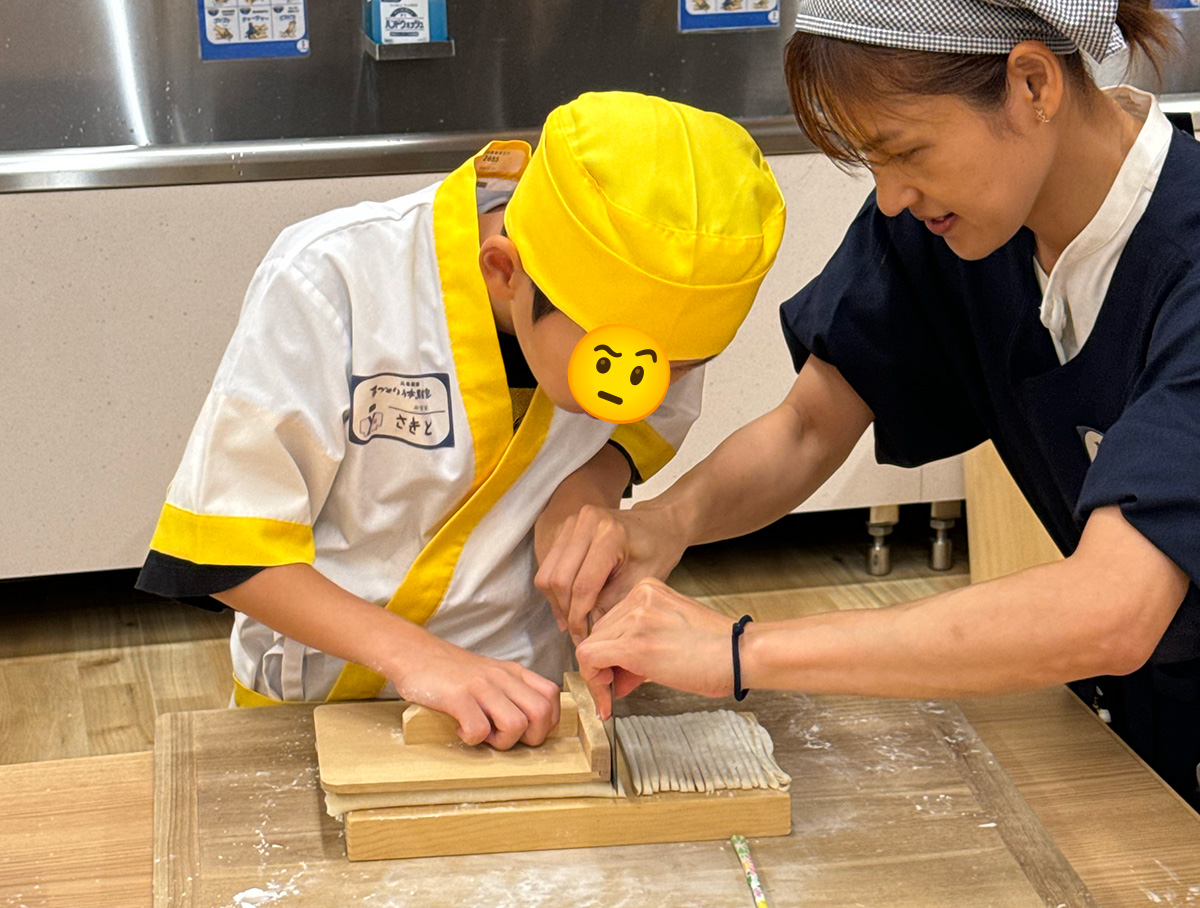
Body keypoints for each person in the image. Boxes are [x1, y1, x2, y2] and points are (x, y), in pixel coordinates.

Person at [540, 2, 1200, 808]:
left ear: (1033, 84)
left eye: (906, 152)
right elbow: (808, 426)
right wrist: (661, 526)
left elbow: (1112, 608)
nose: (890, 200)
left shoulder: (1185, 261)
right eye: (870, 164)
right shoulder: (957, 227)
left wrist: (740, 651)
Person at [134, 91, 787, 749]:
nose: (648, 390)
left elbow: (649, 423)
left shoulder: (658, 320)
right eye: (613, 367)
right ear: (505, 271)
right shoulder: (334, 278)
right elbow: (225, 547)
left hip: (523, 712)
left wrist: (589, 485)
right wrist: (422, 658)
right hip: (313, 706)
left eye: (684, 364)